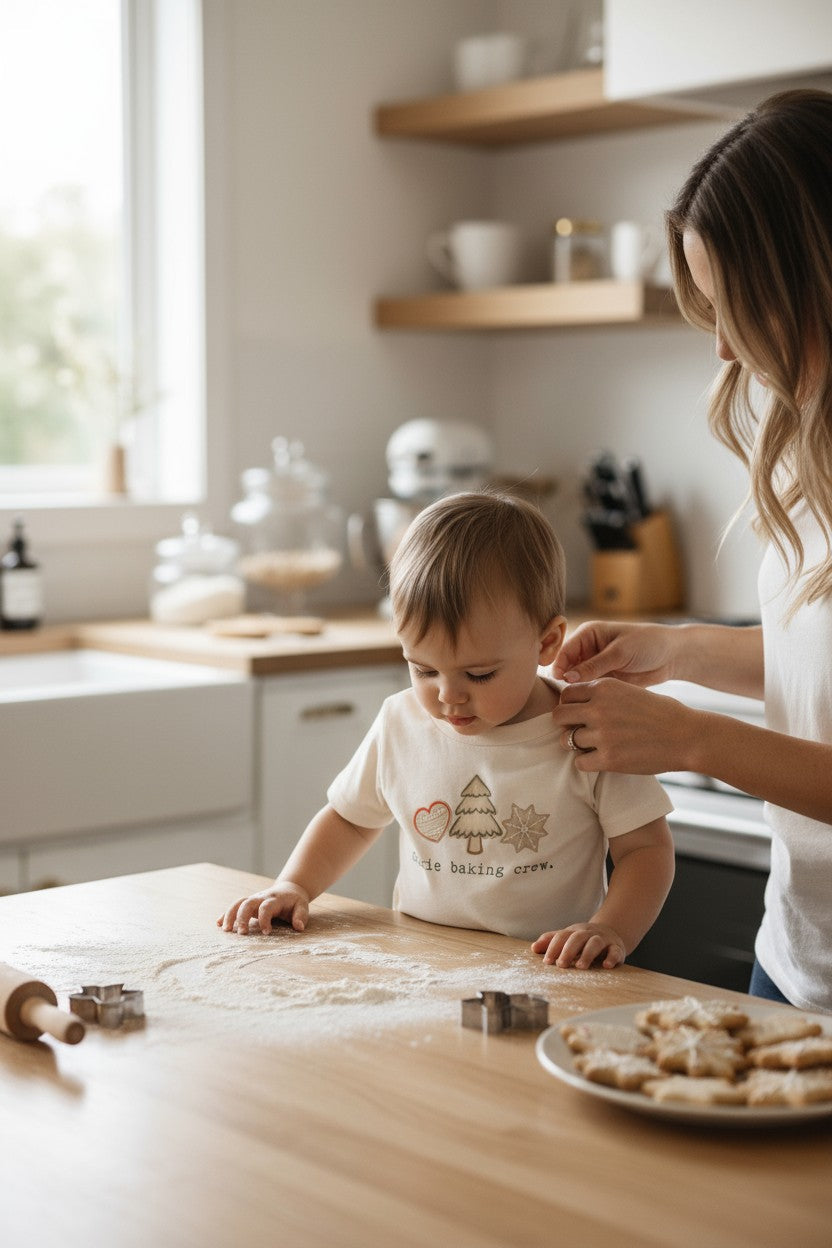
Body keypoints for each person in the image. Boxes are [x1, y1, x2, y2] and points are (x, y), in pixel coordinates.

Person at [551, 88, 832, 1013]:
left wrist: (695, 738)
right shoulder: (812, 456)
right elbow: (815, 665)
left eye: (734, 304)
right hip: (796, 961)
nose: (719, 348)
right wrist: (674, 649)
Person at [219, 491, 674, 969]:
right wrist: (294, 885)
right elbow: (350, 818)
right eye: (423, 669)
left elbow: (646, 850)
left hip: (548, 971)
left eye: (479, 675)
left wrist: (609, 928)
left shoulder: (592, 728)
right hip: (421, 963)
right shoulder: (401, 722)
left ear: (547, 641)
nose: (447, 696)